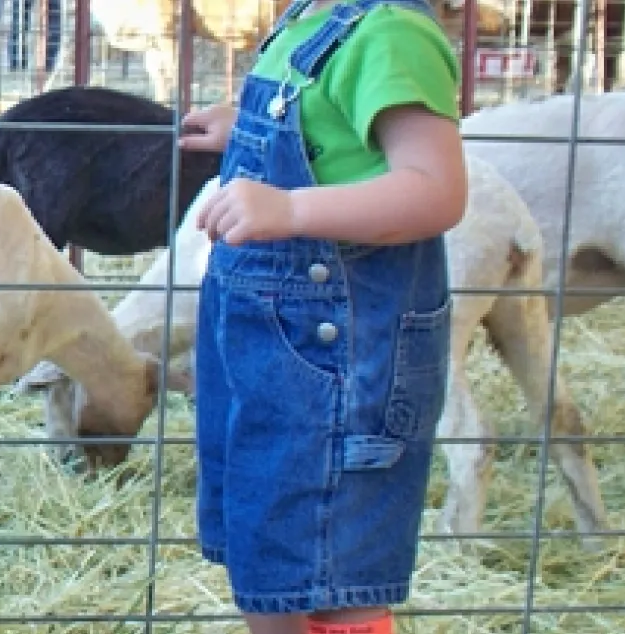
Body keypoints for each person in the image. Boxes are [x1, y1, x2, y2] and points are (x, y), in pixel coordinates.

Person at [173, 0, 468, 632]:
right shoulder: (304, 18)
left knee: (333, 564)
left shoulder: (390, 33)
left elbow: (435, 189)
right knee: (271, 555)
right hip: (269, 347)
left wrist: (291, 210)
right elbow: (331, 128)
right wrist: (243, 127)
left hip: (335, 355)